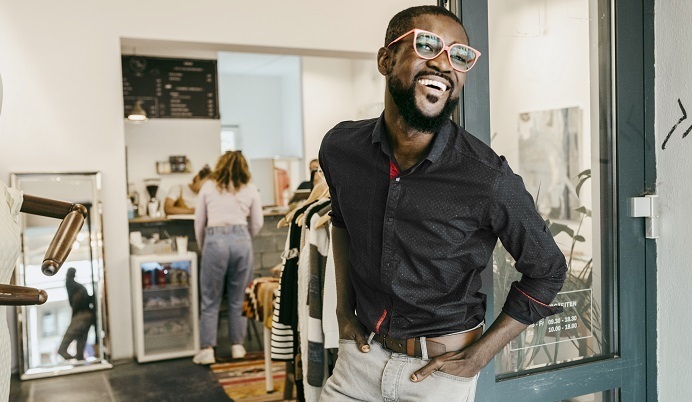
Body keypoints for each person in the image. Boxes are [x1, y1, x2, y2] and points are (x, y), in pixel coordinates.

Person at [318, 6, 567, 401]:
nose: (443, 64)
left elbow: (548, 271)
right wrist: (342, 311)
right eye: (428, 45)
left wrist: (479, 356)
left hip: (438, 378)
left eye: (459, 55)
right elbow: (342, 221)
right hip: (358, 366)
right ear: (386, 59)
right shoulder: (340, 148)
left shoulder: (488, 177)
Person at [192, 150, 264, 365]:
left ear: (220, 165)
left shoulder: (208, 186)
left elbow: (199, 221)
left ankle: (207, 350)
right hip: (242, 241)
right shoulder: (250, 188)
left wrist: (205, 246)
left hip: (215, 241)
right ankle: (237, 347)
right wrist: (243, 237)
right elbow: (257, 223)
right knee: (239, 298)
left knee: (210, 298)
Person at [57, 267, 96, 361]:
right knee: (80, 339)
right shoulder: (73, 285)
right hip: (84, 314)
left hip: (82, 314)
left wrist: (74, 314)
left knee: (73, 337)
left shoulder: (75, 286)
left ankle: (78, 356)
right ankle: (79, 357)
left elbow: (78, 299)